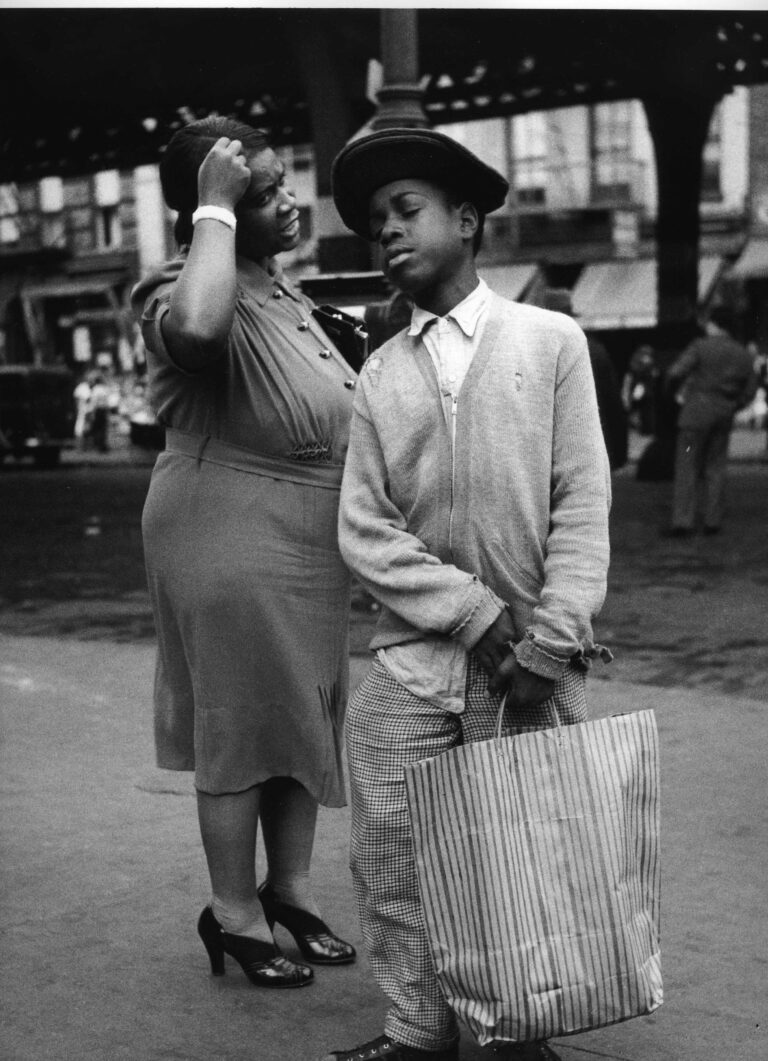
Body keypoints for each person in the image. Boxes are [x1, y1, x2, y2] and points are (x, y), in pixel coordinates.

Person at [322, 128, 612, 1061]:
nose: (389, 234)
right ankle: (417, 1028)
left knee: (519, 856)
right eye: (377, 225)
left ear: (468, 220)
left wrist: (553, 640)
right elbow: (364, 528)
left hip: (530, 661)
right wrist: (471, 610)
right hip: (414, 658)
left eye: (406, 212)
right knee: (394, 853)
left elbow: (582, 502)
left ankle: (514, 1027)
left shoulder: (550, 340)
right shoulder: (381, 372)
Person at [130, 116, 357, 992]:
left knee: (301, 712)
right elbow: (195, 336)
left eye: (282, 180)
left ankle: (289, 892)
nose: (287, 199)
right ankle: (233, 911)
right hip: (225, 527)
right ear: (212, 210)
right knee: (237, 720)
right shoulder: (182, 284)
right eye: (260, 192)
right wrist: (212, 215)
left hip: (306, 541)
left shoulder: (283, 291)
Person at [665, 304, 758, 537]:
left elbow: (676, 372)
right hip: (723, 414)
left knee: (687, 465)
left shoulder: (700, 347)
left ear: (715, 324)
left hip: (695, 414)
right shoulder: (743, 354)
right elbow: (750, 391)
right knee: (715, 467)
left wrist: (672, 393)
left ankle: (683, 521)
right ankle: (712, 520)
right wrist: (733, 405)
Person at [541, 288, 627, 470]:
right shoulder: (594, 347)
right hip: (592, 440)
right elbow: (613, 402)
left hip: (557, 444)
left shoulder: (540, 348)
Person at [73, 373, 92, 449]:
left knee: (80, 427)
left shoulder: (79, 387)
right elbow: (87, 398)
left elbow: (76, 398)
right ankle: (82, 446)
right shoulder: (85, 387)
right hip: (84, 410)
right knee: (82, 428)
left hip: (81, 409)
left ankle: (80, 445)